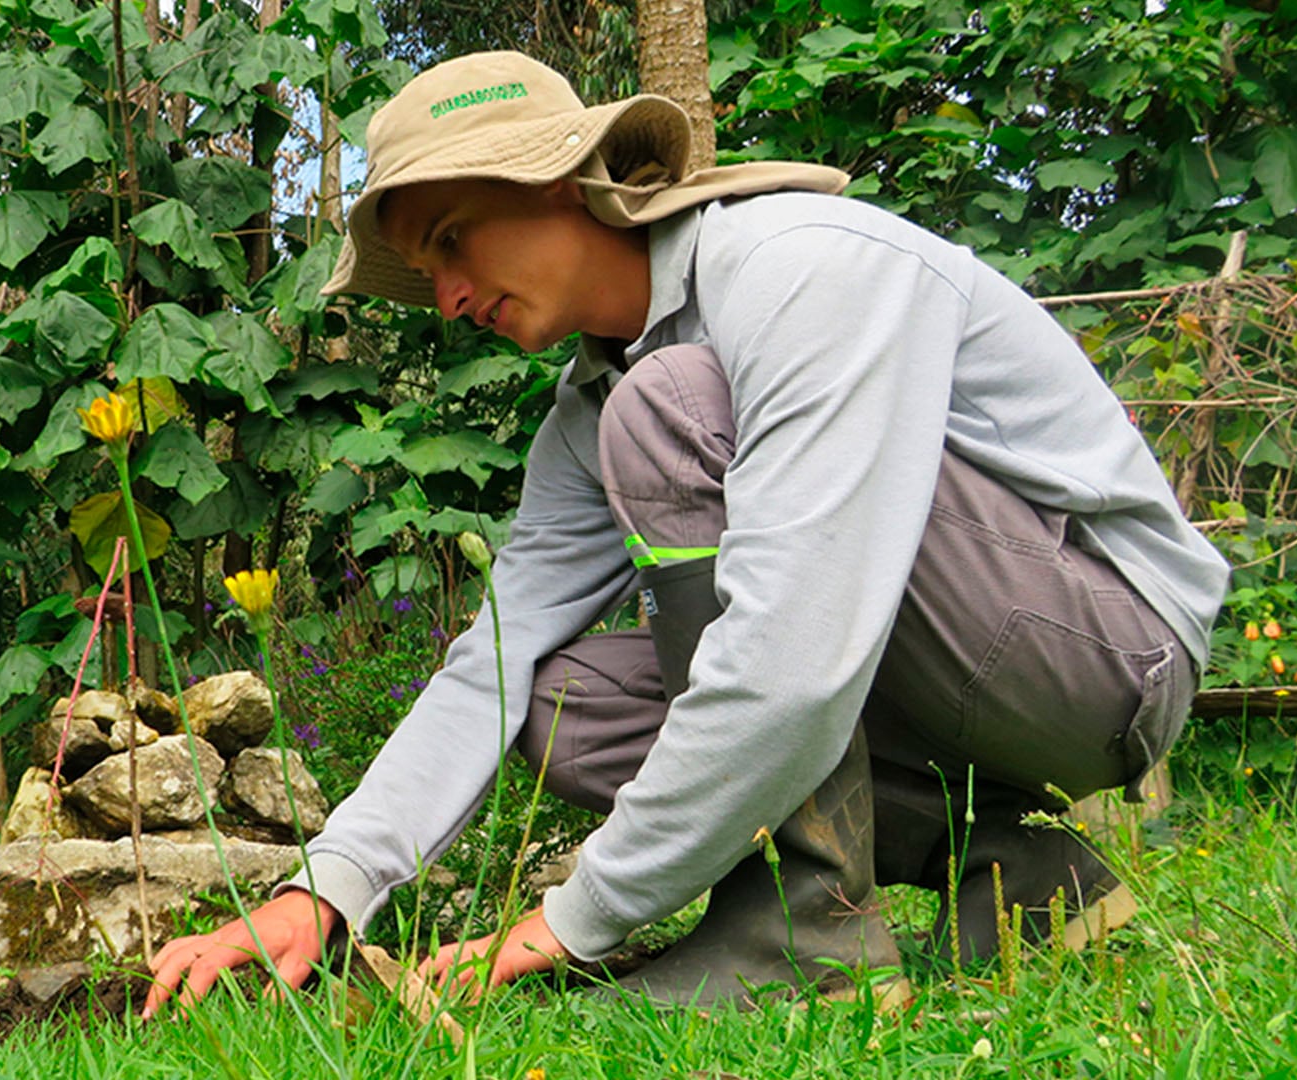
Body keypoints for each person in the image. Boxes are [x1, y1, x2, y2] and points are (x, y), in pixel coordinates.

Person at [142, 50, 1229, 1015]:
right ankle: (1007, 870)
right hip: (940, 676)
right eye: (427, 273)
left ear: (562, 180)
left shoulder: (799, 267)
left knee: (672, 410)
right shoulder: (589, 411)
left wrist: (576, 915)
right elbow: (496, 670)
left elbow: (795, 659)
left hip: (1107, 656)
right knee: (566, 703)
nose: (449, 296)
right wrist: (324, 888)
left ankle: (801, 939)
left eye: (454, 239)